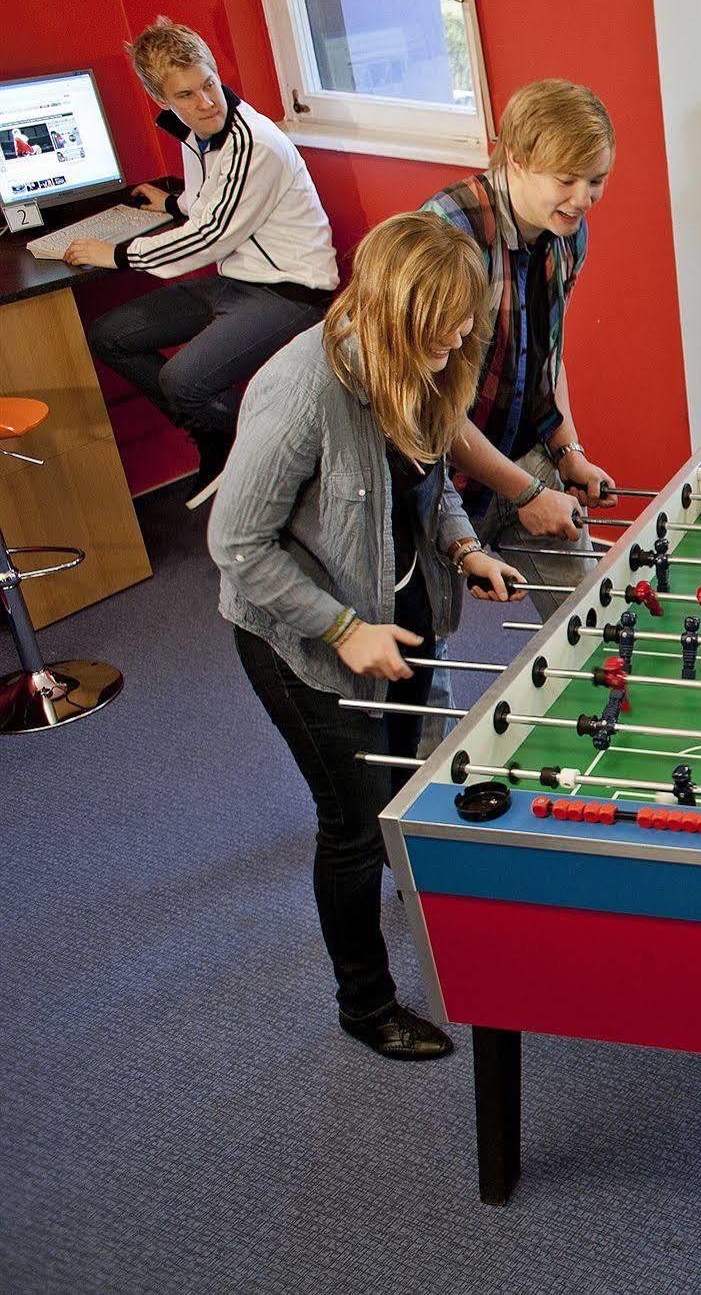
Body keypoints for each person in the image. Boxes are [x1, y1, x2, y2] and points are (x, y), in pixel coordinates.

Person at [208, 212, 526, 1060]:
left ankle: (415, 883)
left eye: (466, 320)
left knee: (422, 775)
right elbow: (236, 546)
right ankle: (365, 1004)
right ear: (392, 312)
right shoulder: (301, 391)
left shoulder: (421, 364)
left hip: (404, 616)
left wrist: (465, 547)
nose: (459, 338)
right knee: (350, 823)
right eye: (444, 322)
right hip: (302, 646)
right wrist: (343, 627)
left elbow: (425, 483)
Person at [73, 17, 337, 507]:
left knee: (182, 381)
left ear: (216, 73)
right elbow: (210, 203)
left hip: (292, 291)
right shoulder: (195, 133)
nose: (206, 102)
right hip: (237, 281)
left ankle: (298, 456)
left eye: (209, 84)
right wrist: (171, 204)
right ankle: (218, 435)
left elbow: (212, 234)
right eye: (187, 95)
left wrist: (117, 255)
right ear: (163, 100)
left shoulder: (252, 142)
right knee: (110, 335)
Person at [421, 77, 619, 619]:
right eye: (566, 179)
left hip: (524, 445)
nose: (583, 198)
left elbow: (546, 353)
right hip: (437, 469)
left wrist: (567, 451)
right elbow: (432, 406)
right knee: (422, 638)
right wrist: (527, 494)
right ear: (515, 157)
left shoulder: (569, 230)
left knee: (591, 617)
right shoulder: (449, 232)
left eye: (596, 180)